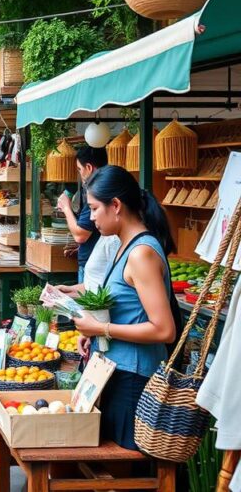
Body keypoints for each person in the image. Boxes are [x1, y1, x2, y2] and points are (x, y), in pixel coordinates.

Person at [74, 165, 177, 450]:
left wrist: (102, 328)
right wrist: (96, 332)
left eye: (95, 208)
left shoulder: (141, 253)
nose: (91, 217)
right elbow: (130, 309)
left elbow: (164, 329)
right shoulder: (125, 245)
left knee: (124, 471)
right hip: (116, 372)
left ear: (116, 205)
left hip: (134, 380)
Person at [57, 145, 108, 283]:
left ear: (89, 168)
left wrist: (66, 207)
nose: (92, 216)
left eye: (80, 169)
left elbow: (80, 235)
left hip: (95, 266)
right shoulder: (101, 191)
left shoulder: (98, 194)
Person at [55, 235, 121, 298]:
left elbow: (115, 292)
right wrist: (69, 291)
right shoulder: (105, 238)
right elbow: (94, 285)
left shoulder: (114, 241)